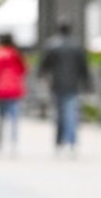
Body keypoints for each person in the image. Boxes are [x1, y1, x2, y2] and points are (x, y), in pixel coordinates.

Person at [38, 20, 92, 156]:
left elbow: (44, 65)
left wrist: (42, 76)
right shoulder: (76, 46)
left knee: (60, 114)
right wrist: (87, 83)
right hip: (73, 84)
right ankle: (71, 141)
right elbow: (84, 67)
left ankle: (60, 141)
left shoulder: (52, 45)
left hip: (57, 84)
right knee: (71, 113)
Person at [0, 34, 27, 156]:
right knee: (14, 118)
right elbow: (24, 69)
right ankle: (13, 143)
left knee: (0, 118)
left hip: (0, 89)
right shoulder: (17, 54)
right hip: (14, 89)